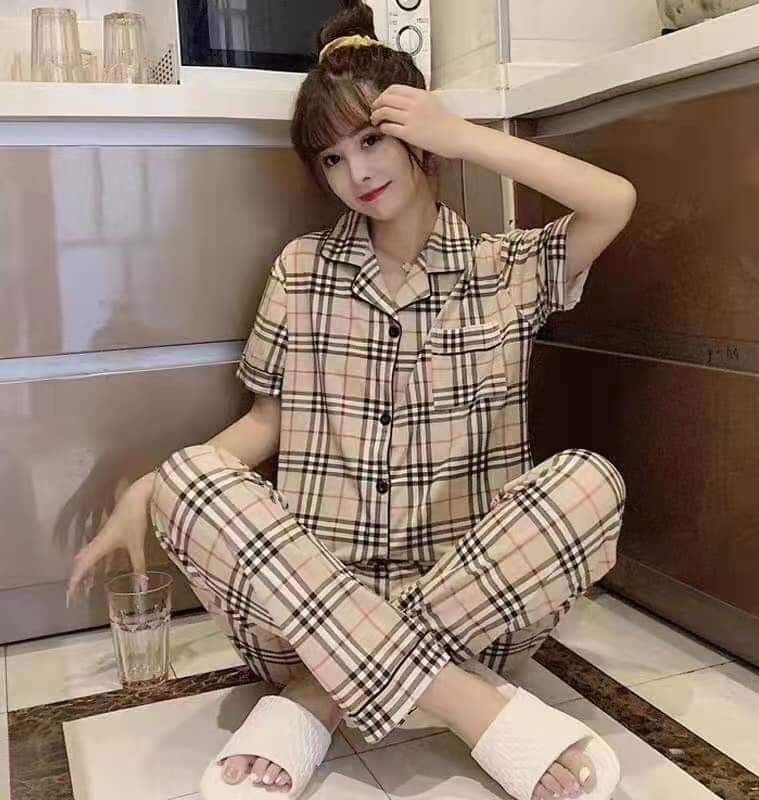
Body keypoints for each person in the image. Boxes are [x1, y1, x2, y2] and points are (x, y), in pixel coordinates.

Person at [67, 3, 636, 798]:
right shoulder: (301, 270)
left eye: (371, 140)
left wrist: (463, 136)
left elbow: (614, 201)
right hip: (302, 611)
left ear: (417, 133)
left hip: (477, 609)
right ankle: (465, 704)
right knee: (189, 474)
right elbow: (266, 422)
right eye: (333, 158)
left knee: (592, 483)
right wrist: (152, 491)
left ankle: (321, 698)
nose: (357, 173)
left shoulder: (506, 268)